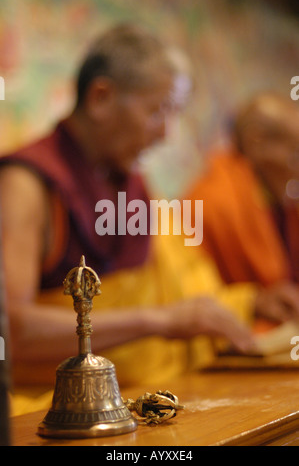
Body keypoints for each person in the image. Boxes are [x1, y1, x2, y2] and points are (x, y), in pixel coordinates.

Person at [0, 24, 260, 406]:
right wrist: (160, 322)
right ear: (101, 98)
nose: (166, 133)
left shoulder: (130, 183)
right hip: (62, 410)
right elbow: (11, 331)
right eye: (157, 111)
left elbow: (178, 286)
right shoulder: (27, 186)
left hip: (150, 395)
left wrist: (252, 301)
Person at [185, 92, 299, 324]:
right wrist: (254, 302)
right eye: (295, 152)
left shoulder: (279, 197)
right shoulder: (211, 202)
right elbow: (190, 297)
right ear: (256, 142)